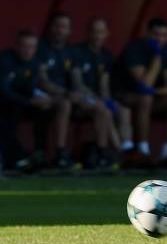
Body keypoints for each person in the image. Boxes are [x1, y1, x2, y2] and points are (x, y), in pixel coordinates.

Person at [113, 17, 167, 164]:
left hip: (152, 97)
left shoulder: (166, 52)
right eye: (156, 34)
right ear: (147, 34)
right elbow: (145, 84)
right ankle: (143, 151)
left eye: (164, 35)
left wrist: (156, 92)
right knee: (146, 99)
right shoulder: (134, 49)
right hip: (125, 96)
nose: (160, 39)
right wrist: (157, 58)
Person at [0, 30, 69, 171]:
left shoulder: (34, 64)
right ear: (17, 46)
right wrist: (29, 101)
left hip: (19, 104)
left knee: (45, 110)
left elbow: (30, 88)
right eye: (24, 46)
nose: (27, 50)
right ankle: (17, 158)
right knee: (7, 117)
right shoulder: (5, 61)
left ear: (35, 49)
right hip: (6, 104)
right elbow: (4, 91)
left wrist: (42, 99)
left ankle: (42, 154)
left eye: (31, 47)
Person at [72, 17, 127, 170]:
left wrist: (107, 99)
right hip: (79, 98)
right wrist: (99, 100)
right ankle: (110, 151)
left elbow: (104, 84)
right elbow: (77, 84)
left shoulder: (106, 56)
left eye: (101, 32)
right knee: (103, 111)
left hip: (97, 100)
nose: (97, 35)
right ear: (88, 33)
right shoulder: (77, 52)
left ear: (106, 34)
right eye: (94, 31)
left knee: (121, 109)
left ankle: (127, 148)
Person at [37, 12, 79, 169]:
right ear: (51, 28)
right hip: (44, 95)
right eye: (57, 26)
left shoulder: (70, 51)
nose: (60, 30)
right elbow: (42, 81)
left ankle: (105, 153)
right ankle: (60, 152)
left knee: (101, 108)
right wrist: (66, 93)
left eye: (64, 27)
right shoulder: (41, 48)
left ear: (69, 30)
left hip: (66, 95)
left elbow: (77, 80)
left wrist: (85, 95)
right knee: (65, 104)